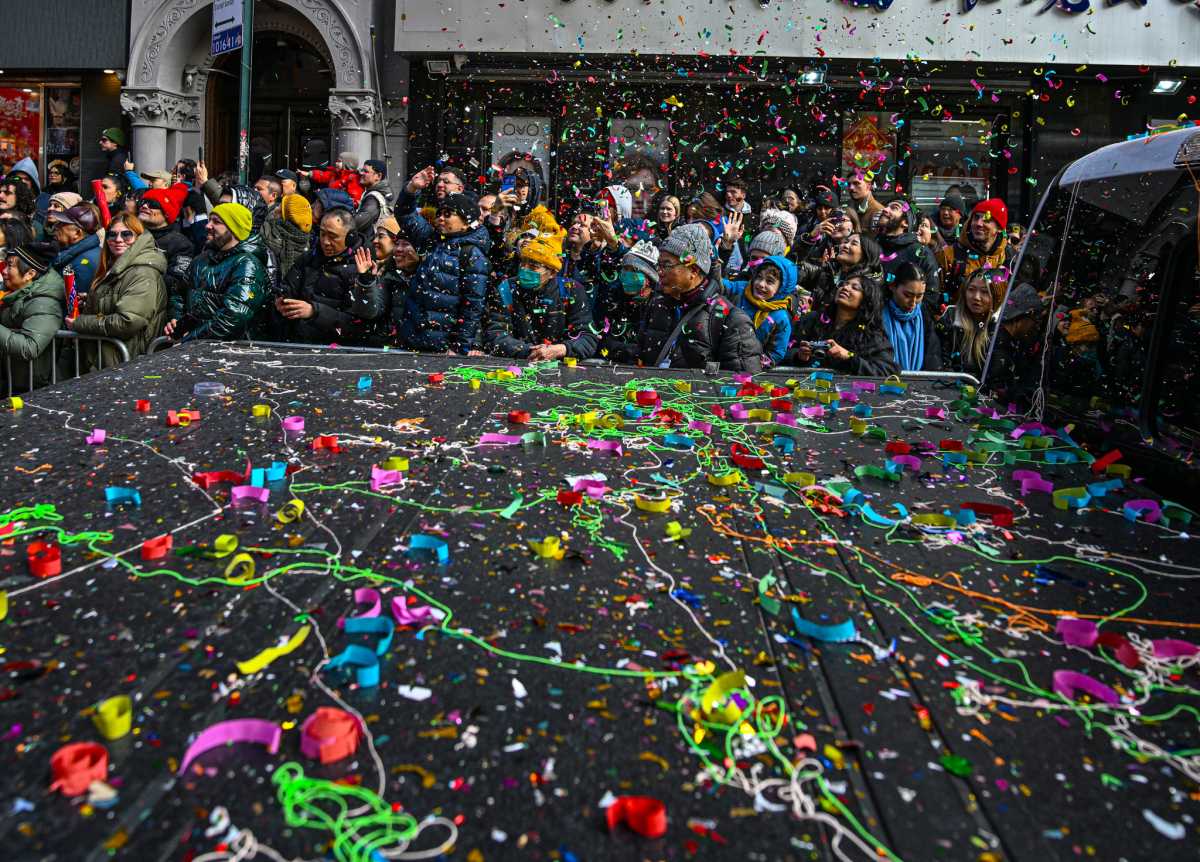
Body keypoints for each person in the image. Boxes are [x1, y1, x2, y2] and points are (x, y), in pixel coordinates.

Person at [394, 168, 490, 354]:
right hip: (413, 339)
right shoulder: (433, 240)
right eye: (439, 214)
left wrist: (459, 346)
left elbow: (472, 305)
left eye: (448, 214)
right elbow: (405, 215)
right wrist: (412, 188)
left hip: (444, 347)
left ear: (465, 221)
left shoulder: (472, 254)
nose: (440, 219)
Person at [653, 223, 762, 372]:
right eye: (659, 265)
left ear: (693, 270)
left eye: (667, 265)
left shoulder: (732, 321)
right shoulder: (657, 305)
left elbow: (743, 385)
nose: (660, 272)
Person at [65, 214, 167, 371]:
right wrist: (92, 301)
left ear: (138, 237)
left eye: (126, 234)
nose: (118, 239)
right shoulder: (115, 267)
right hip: (106, 359)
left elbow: (127, 321)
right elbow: (116, 301)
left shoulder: (142, 272)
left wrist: (80, 323)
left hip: (126, 363)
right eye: (112, 234)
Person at [483, 232, 597, 362]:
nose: (525, 269)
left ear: (552, 272)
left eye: (533, 266)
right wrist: (531, 351)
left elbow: (588, 338)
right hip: (517, 364)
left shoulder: (571, 290)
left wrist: (561, 349)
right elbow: (495, 334)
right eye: (523, 262)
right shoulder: (506, 289)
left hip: (561, 366)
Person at [164, 202, 269, 342]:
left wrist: (191, 340)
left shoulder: (247, 264)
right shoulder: (202, 258)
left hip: (229, 351)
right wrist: (176, 320)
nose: (208, 226)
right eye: (209, 220)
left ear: (234, 229)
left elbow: (233, 315)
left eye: (216, 222)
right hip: (193, 346)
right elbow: (179, 293)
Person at [273, 209, 374, 344]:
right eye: (322, 234)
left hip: (334, 352)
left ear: (351, 237)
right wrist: (282, 300)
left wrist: (314, 312)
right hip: (298, 344)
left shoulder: (362, 269)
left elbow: (357, 324)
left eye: (333, 236)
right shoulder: (309, 258)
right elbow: (287, 286)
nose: (325, 242)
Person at [786, 273, 898, 376]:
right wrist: (799, 356)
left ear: (866, 299)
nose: (845, 288)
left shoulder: (871, 334)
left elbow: (888, 371)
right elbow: (782, 351)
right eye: (843, 284)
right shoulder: (812, 320)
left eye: (855, 288)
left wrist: (849, 356)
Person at [596, 240, 675, 366]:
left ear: (649, 278)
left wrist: (619, 349)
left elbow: (648, 353)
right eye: (625, 269)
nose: (627, 275)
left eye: (633, 270)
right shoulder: (614, 299)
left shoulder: (661, 306)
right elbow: (601, 343)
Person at [0, 241, 65, 391]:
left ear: (30, 274)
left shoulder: (44, 302)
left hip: (32, 386)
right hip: (11, 378)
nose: (4, 271)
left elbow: (30, 347)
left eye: (10, 266)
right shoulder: (11, 292)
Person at [348, 223, 422, 347]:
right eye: (397, 244)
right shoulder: (389, 276)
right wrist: (366, 281)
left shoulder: (433, 276)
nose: (398, 249)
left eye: (405, 244)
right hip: (391, 351)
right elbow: (370, 311)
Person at [936, 198, 1014, 306]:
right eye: (976, 217)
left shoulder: (1009, 257)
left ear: (999, 228)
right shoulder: (949, 255)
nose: (978, 223)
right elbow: (933, 299)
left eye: (986, 219)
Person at [724, 254, 798, 365]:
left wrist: (756, 363)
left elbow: (776, 353)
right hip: (723, 354)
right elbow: (723, 285)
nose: (761, 284)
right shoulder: (741, 289)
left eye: (769, 281)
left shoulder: (780, 318)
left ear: (781, 288)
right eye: (759, 277)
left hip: (750, 368)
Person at [875, 198, 942, 313]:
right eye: (886, 206)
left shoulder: (920, 252)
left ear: (905, 222)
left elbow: (931, 296)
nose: (885, 209)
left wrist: (904, 316)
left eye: (894, 208)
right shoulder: (873, 246)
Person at [936, 267, 1005, 377]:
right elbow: (938, 361)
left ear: (997, 297)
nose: (976, 297)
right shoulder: (950, 319)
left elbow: (997, 373)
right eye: (971, 289)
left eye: (984, 292)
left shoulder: (1000, 328)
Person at [986, 283, 1047, 405]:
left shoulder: (1016, 341)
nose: (1035, 326)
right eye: (1035, 320)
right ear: (1021, 317)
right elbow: (995, 391)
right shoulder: (997, 343)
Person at [796, 232, 883, 311]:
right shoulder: (829, 270)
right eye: (845, 242)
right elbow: (789, 270)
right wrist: (809, 239)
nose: (845, 246)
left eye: (854, 243)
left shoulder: (867, 288)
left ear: (866, 254)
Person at [881, 261, 942, 372]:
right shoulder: (878, 314)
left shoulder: (925, 316)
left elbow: (932, 356)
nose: (913, 303)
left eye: (919, 296)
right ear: (892, 286)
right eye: (907, 295)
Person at [137, 186, 195, 301]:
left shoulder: (181, 244)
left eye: (153, 204)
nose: (144, 206)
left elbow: (176, 283)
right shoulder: (130, 235)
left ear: (167, 213)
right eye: (143, 202)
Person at [47, 205, 102, 295]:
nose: (56, 226)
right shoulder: (74, 251)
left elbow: (72, 304)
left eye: (62, 224)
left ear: (77, 233)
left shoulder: (85, 264)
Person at [260, 193, 313, 286]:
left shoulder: (266, 232)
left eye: (280, 208)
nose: (275, 208)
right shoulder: (306, 245)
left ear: (285, 218)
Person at [353, 159, 394, 238]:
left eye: (366, 171)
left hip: (369, 246)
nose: (361, 174)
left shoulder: (373, 198)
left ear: (378, 176)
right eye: (362, 170)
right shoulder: (372, 194)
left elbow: (356, 224)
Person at [845, 171, 883, 235]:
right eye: (849, 184)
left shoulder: (878, 211)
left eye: (856, 183)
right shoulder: (847, 208)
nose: (851, 188)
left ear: (869, 185)